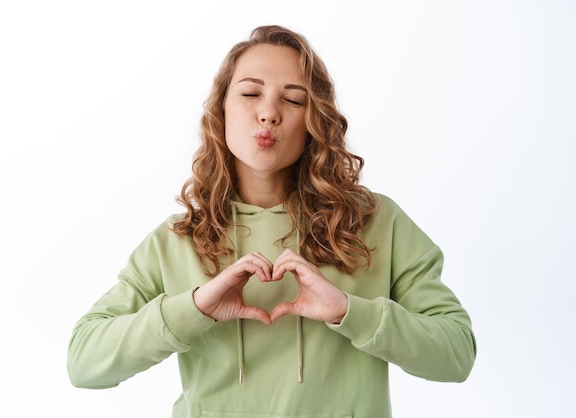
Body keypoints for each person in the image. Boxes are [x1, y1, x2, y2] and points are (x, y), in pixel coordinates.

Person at [67, 25, 476, 417]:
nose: (269, 114)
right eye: (249, 93)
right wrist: (194, 309)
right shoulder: (176, 240)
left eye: (294, 100)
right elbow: (84, 364)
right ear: (221, 109)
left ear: (315, 120)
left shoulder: (378, 224)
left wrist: (349, 312)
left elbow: (456, 355)